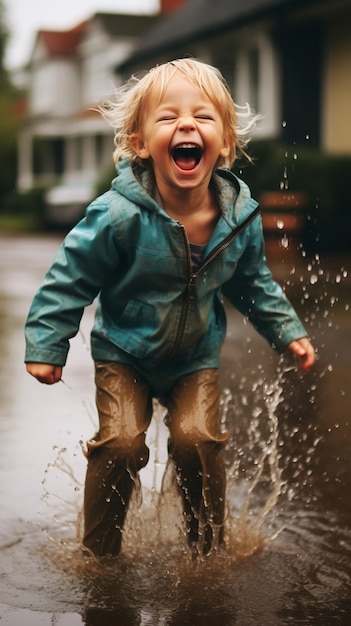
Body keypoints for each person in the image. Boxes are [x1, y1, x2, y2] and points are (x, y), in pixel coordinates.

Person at [25, 58, 315, 558]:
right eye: (168, 118)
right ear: (140, 144)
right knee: (120, 444)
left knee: (197, 442)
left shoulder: (239, 218)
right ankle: (99, 554)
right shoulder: (118, 214)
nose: (186, 125)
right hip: (124, 354)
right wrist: (47, 342)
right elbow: (70, 277)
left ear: (223, 142)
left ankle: (208, 550)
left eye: (203, 117)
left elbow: (252, 284)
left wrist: (287, 330)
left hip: (194, 359)